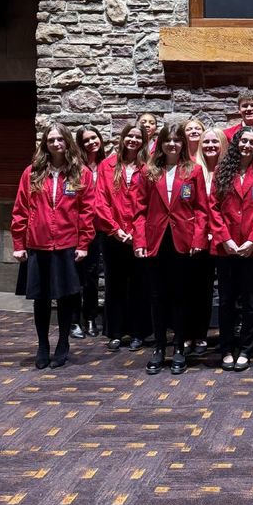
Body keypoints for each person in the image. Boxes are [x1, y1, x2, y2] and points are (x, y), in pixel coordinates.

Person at [11, 123, 95, 369]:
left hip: (68, 245)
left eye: (60, 139)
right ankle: (42, 345)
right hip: (38, 245)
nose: (56, 144)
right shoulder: (32, 172)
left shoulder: (81, 173)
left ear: (68, 142)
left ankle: (63, 343)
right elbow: (20, 210)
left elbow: (87, 211)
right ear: (45, 144)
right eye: (51, 140)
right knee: (41, 298)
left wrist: (83, 243)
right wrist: (19, 243)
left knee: (67, 298)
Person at [134, 124, 208, 375]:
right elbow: (140, 210)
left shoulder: (194, 170)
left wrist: (198, 240)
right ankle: (159, 347)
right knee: (157, 296)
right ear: (160, 143)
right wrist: (140, 241)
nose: (172, 144)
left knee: (180, 295)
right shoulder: (148, 171)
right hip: (156, 241)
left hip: (183, 242)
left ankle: (178, 347)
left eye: (177, 140)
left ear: (183, 144)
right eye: (168, 140)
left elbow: (201, 209)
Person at [209, 126, 253, 372]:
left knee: (251, 301)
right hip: (225, 248)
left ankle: (247, 348)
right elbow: (213, 207)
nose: (247, 145)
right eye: (243, 141)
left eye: (252, 142)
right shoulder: (221, 170)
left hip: (252, 248)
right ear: (236, 143)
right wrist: (225, 238)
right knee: (226, 300)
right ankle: (226, 348)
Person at [95, 123, 152, 352]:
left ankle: (139, 332)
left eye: (138, 137)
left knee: (140, 285)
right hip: (113, 236)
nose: (133, 140)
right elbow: (100, 201)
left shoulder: (148, 167)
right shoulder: (107, 165)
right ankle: (116, 332)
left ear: (144, 141)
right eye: (130, 135)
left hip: (140, 236)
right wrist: (115, 229)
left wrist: (137, 233)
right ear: (123, 138)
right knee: (115, 285)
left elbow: (150, 204)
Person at [188, 127, 229, 356]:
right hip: (198, 240)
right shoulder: (193, 170)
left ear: (223, 144)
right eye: (206, 142)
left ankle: (226, 337)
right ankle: (196, 334)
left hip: (224, 241)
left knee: (226, 293)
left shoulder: (229, 171)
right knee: (198, 291)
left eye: (215, 142)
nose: (210, 146)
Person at [71, 125, 107, 338]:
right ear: (80, 144)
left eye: (94, 138)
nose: (91, 142)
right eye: (86, 140)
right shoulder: (75, 167)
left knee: (92, 276)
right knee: (75, 275)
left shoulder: (107, 165)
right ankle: (74, 321)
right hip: (76, 229)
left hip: (99, 229)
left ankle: (91, 318)